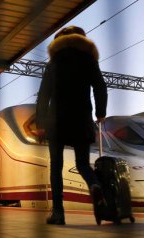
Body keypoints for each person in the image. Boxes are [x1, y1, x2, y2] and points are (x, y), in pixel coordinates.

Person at [35, 25, 108, 225]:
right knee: (83, 164)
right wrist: (101, 112)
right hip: (82, 119)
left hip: (56, 121)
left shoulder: (53, 63)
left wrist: (40, 122)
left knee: (56, 166)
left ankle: (58, 212)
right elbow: (100, 86)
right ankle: (94, 185)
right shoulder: (89, 60)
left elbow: (43, 95)